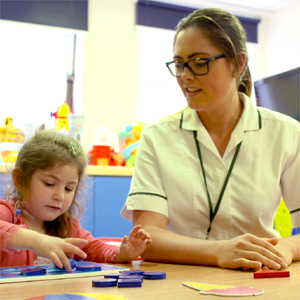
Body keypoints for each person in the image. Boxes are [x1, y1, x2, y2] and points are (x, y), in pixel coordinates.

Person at [121, 8, 300, 271]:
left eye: (199, 62)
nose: (185, 76)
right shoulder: (157, 136)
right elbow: (148, 236)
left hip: (257, 276)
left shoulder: (286, 133)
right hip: (176, 281)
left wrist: (285, 247)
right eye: (180, 64)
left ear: (238, 63)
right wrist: (219, 252)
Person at [0, 130, 152, 272]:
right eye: (49, 184)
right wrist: (36, 241)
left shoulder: (67, 226)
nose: (59, 196)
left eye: (68, 189)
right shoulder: (8, 213)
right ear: (20, 180)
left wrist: (121, 253)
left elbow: (95, 249)